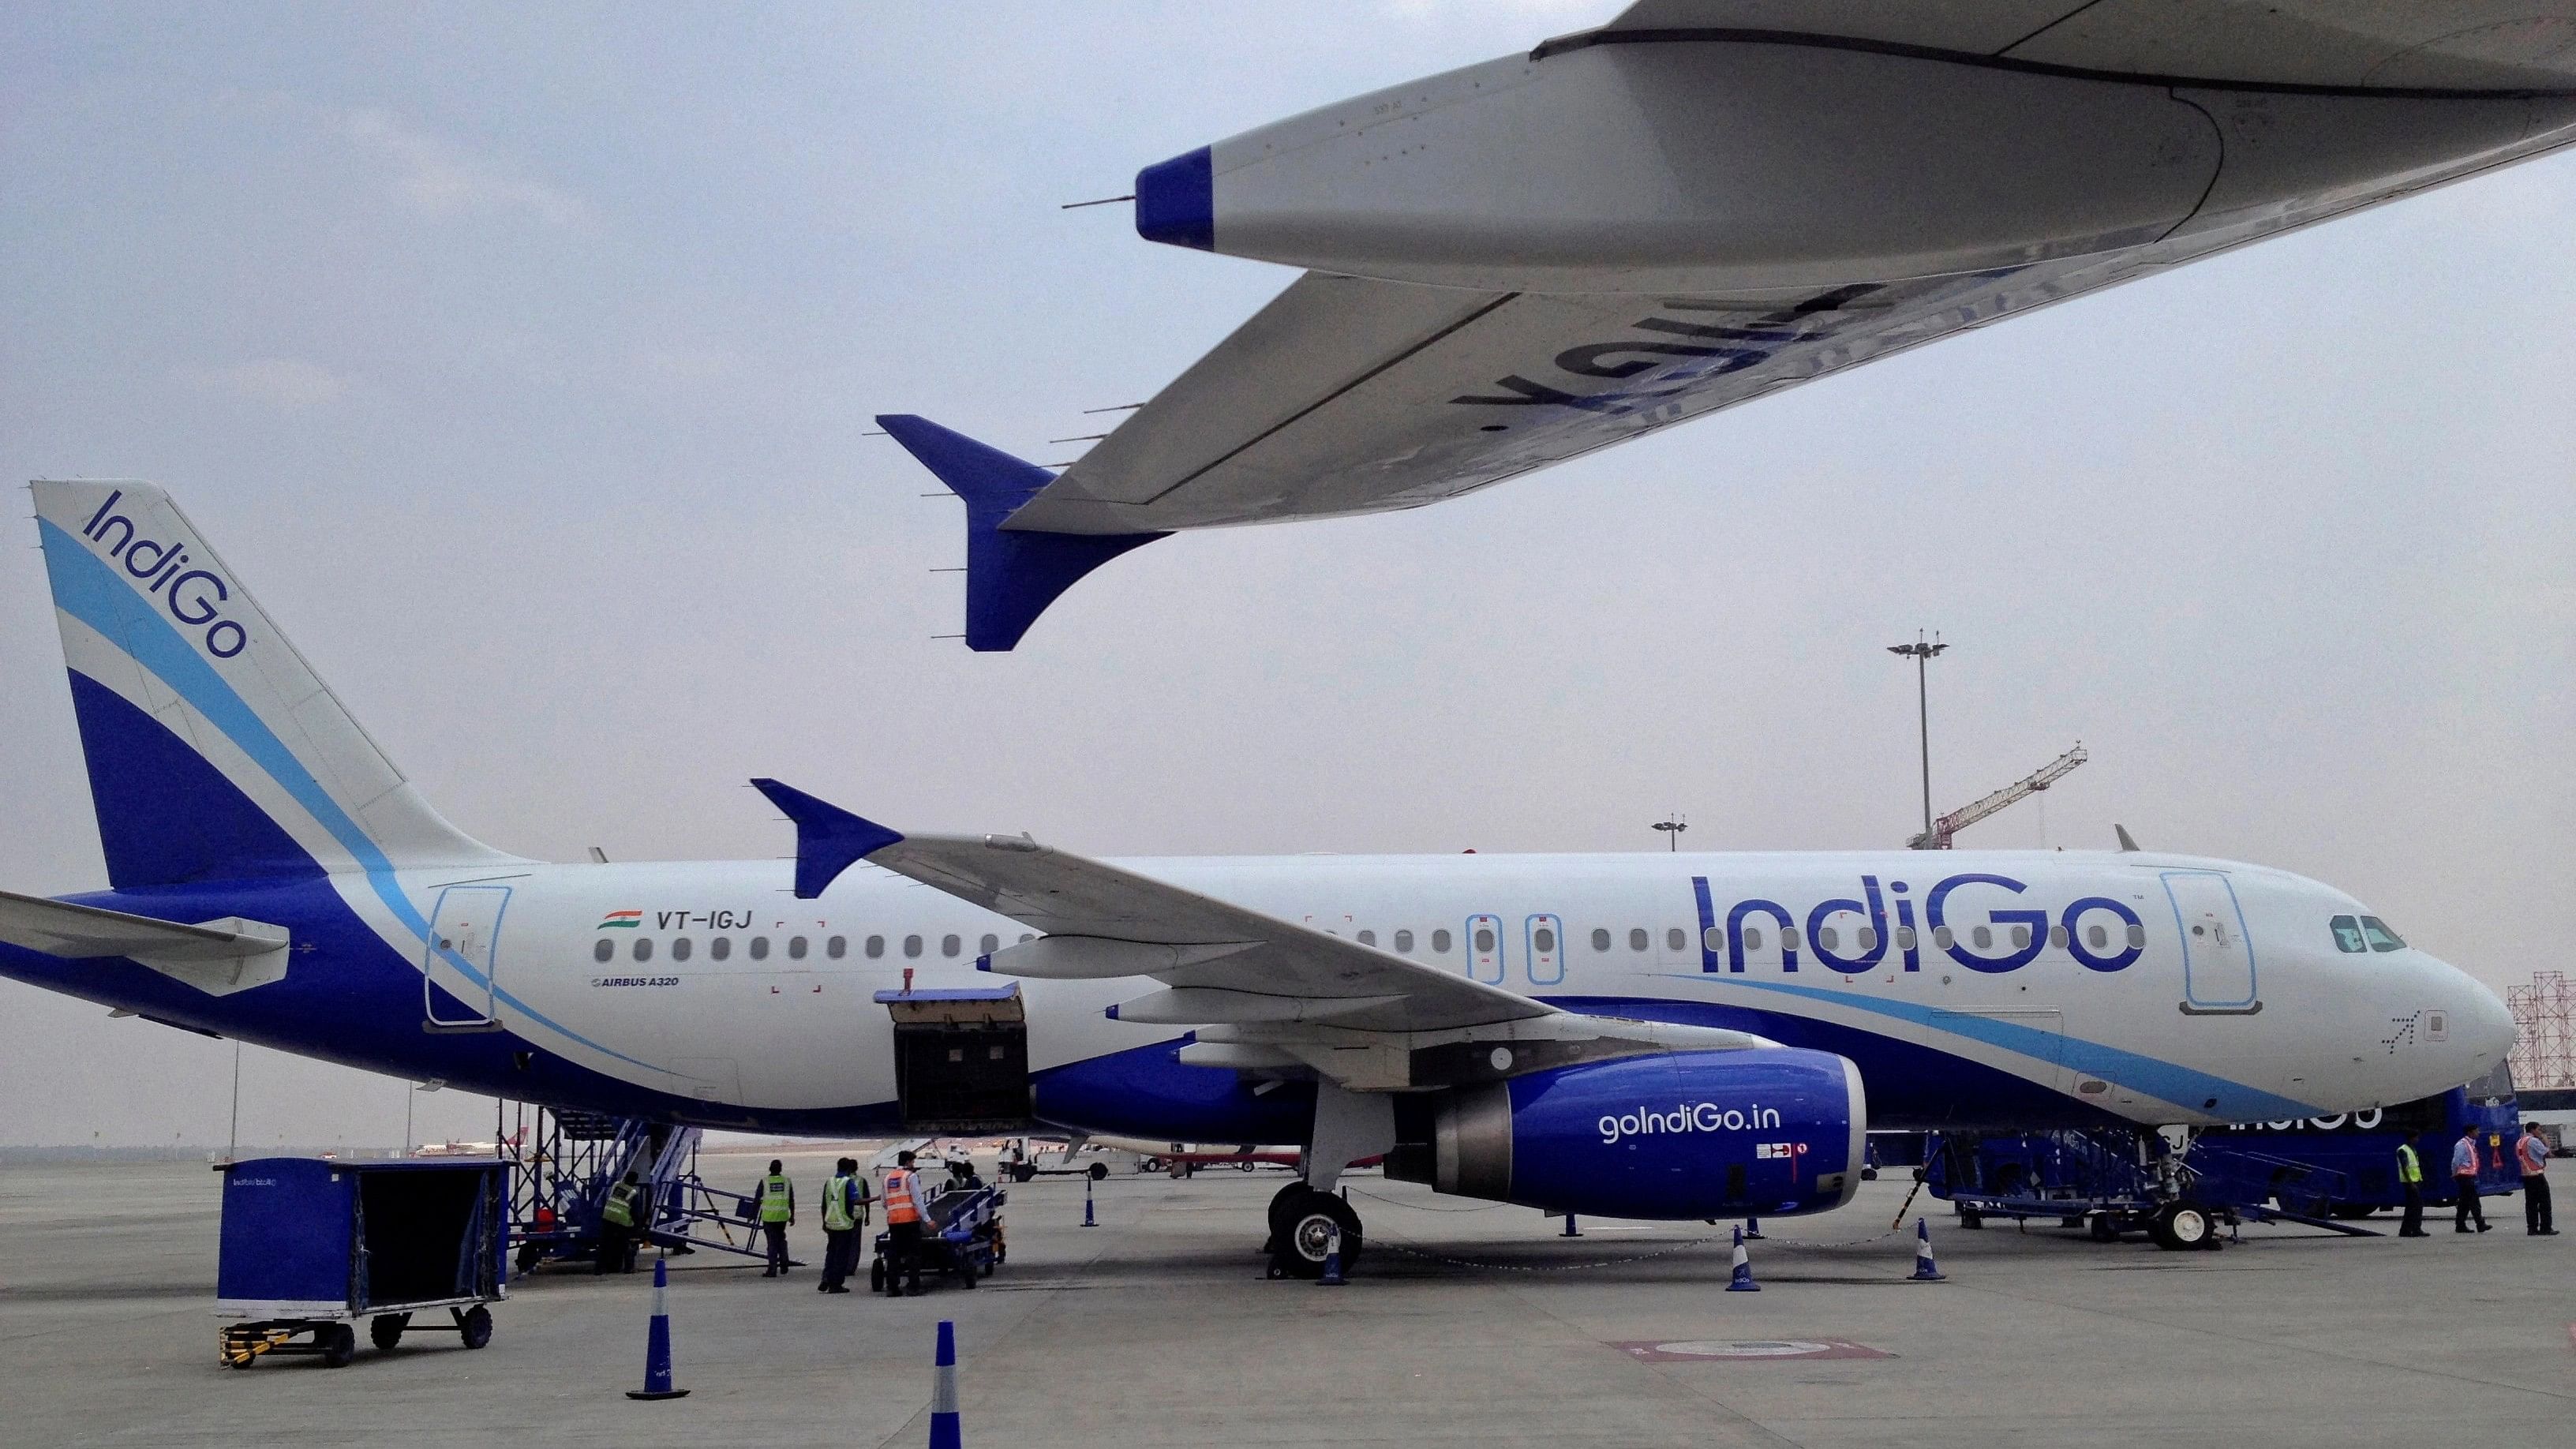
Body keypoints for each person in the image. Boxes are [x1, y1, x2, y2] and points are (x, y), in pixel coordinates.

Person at [818, 1156, 871, 1293]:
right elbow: (856, 1201)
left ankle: (826, 1278)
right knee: (842, 1255)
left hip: (831, 1223)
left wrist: (824, 1221)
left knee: (831, 1253)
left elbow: (824, 1204)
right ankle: (836, 1285)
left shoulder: (829, 1182)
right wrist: (874, 1199)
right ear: (849, 1169)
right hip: (844, 1224)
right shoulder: (848, 1182)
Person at [881, 1148, 927, 1297]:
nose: (913, 1164)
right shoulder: (910, 1176)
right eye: (913, 1161)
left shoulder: (888, 1177)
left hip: (894, 1222)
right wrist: (927, 1219)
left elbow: (884, 1202)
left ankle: (892, 1288)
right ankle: (913, 1287)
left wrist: (895, 1211)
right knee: (913, 1255)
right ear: (908, 1162)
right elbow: (917, 1200)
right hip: (910, 1221)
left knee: (894, 1255)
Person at [596, 1169, 644, 1274]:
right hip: (621, 1220)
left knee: (604, 1244)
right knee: (625, 1244)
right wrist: (638, 1228)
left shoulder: (616, 1186)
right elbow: (636, 1213)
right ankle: (629, 1268)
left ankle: (599, 1269)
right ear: (635, 1181)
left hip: (607, 1216)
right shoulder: (633, 1193)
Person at [754, 1159, 796, 1275]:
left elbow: (757, 1199)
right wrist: (792, 1215)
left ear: (770, 1169)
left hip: (769, 1218)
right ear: (781, 1169)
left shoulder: (765, 1181)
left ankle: (772, 1269)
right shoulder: (787, 1181)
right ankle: (784, 1262)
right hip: (782, 1217)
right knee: (781, 1240)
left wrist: (752, 1215)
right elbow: (791, 1200)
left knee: (772, 1244)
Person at [2514, 1121, 2555, 1236]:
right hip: (2537, 1175)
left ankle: (2532, 1228)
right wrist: (2545, 1141)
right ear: (2532, 1130)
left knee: (2531, 1204)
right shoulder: (2533, 1141)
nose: (2540, 1132)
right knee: (2544, 1203)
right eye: (2539, 1129)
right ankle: (2546, 1227)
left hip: (2526, 1176)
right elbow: (2547, 1153)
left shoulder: (2520, 1141)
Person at [2451, 1125, 2492, 1233]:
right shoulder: (2462, 1144)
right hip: (2464, 1176)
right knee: (2474, 1201)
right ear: (2470, 1132)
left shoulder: (2471, 1144)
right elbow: (2456, 1161)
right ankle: (2480, 1224)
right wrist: (2454, 1173)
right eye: (2476, 1131)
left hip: (2469, 1176)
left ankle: (2460, 1225)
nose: (2478, 1133)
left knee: (2464, 1203)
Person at [2394, 1131, 2428, 1237]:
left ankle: (2405, 1230)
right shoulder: (2403, 1150)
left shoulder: (2411, 1149)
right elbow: (2405, 1168)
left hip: (2415, 1181)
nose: (2418, 1140)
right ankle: (2416, 1229)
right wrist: (2411, 1182)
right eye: (2416, 1138)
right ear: (2411, 1138)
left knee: (2411, 1207)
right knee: (2416, 1206)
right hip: (2410, 1182)